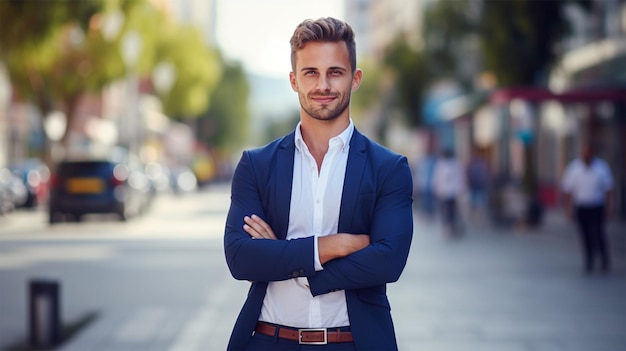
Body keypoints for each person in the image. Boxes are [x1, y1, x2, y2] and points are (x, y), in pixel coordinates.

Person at [223, 17, 414, 350]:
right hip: (269, 340)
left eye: (335, 72)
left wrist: (285, 260)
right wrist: (332, 246)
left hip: (352, 342)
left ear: (355, 79)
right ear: (294, 80)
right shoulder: (257, 165)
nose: (323, 85)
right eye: (311, 72)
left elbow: (389, 261)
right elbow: (241, 258)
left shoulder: (389, 168)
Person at [561, 144, 614, 273]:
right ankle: (589, 260)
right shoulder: (574, 168)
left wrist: (609, 206)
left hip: (597, 205)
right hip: (582, 205)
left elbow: (608, 189)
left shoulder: (602, 168)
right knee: (585, 235)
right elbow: (568, 190)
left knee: (599, 233)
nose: (587, 157)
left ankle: (604, 258)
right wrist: (568, 208)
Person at [432, 148, 465, 236]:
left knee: (452, 211)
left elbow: (459, 178)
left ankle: (453, 227)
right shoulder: (443, 164)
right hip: (446, 192)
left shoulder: (453, 164)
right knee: (447, 211)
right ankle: (449, 228)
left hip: (451, 192)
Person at [466, 147, 490, 226]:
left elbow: (486, 172)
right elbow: (467, 173)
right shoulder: (470, 163)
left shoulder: (482, 162)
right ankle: (475, 219)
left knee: (481, 203)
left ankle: (481, 219)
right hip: (474, 185)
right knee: (474, 203)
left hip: (481, 185)